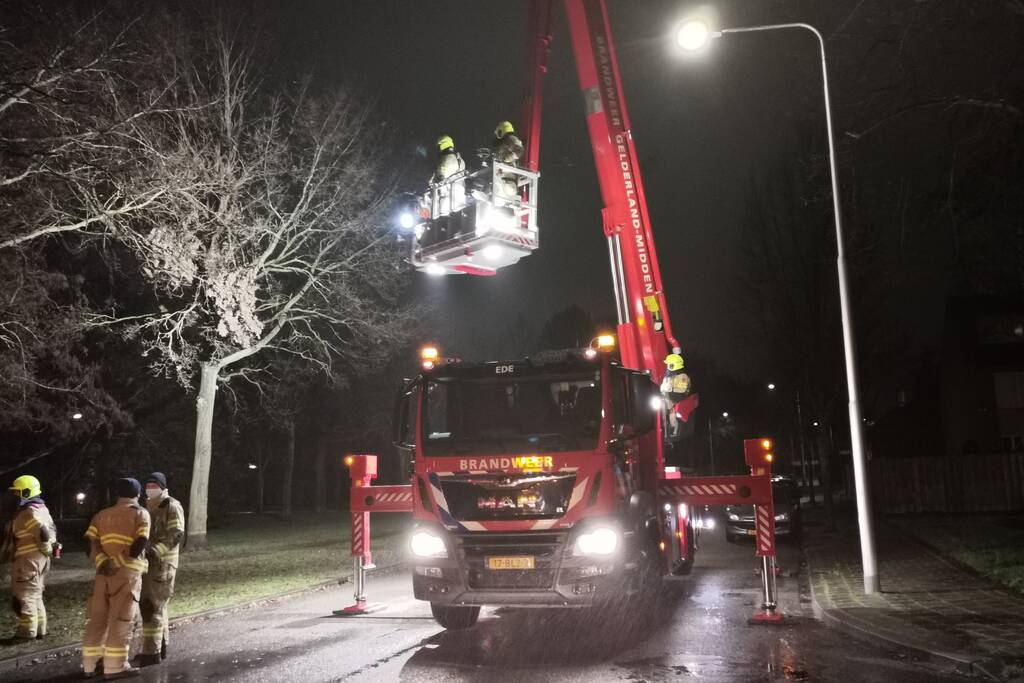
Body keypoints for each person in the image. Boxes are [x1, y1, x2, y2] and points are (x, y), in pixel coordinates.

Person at [82, 478, 150, 679]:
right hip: (126, 574)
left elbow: (90, 542)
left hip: (103, 574)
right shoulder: (140, 513)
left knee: (97, 619)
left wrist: (103, 561)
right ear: (137, 495)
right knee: (121, 619)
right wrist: (118, 561)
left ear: (118, 495)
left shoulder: (101, 515)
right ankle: (115, 666)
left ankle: (89, 665)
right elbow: (141, 542)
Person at [137, 472, 185, 667]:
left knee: (152, 607)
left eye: (153, 484)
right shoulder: (147, 505)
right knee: (156, 607)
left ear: (162, 487)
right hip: (149, 564)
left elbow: (177, 533)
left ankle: (151, 652)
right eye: (147, 484)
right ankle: (160, 646)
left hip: (162, 565)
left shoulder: (171, 505)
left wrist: (156, 551)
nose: (149, 487)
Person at [6, 475, 57, 642]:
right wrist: (48, 550)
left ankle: (26, 633)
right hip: (39, 560)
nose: (15, 496)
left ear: (27, 492)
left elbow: (42, 532)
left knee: (25, 595)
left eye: (18, 492)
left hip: (28, 560)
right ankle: (40, 630)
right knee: (35, 595)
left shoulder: (28, 512)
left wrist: (45, 548)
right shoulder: (42, 508)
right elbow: (51, 529)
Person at [490, 120, 524, 200]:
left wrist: (507, 158)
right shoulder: (502, 145)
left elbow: (519, 150)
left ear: (502, 130)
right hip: (502, 178)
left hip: (509, 179)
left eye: (499, 132)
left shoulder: (511, 139)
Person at [661, 352, 692, 434]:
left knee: (671, 411)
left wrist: (668, 389)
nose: (666, 367)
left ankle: (673, 428)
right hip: (667, 400)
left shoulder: (682, 377)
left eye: (668, 365)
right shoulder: (668, 377)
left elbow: (680, 392)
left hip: (676, 402)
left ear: (672, 366)